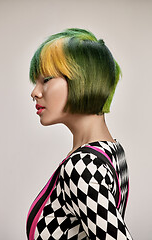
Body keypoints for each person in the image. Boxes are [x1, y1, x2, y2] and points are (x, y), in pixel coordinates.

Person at [26, 28, 133, 240]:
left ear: (83, 80)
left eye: (46, 79)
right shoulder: (113, 150)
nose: (35, 92)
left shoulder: (82, 165)